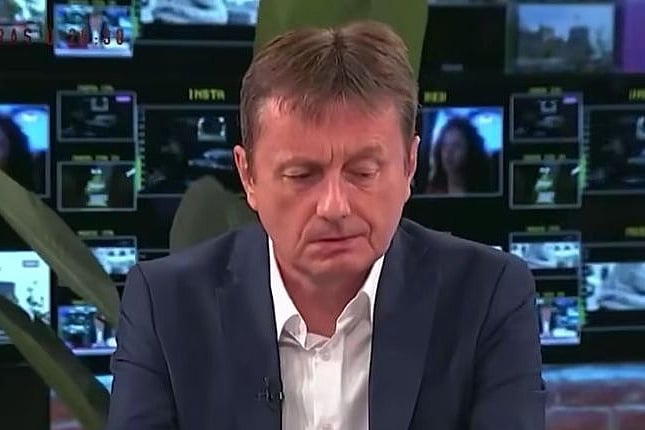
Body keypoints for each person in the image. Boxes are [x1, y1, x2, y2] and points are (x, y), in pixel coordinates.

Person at [106, 20, 545, 430]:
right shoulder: (164, 305)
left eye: (363, 172)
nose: (334, 206)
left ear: (410, 165)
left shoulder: (489, 295)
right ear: (248, 176)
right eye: (302, 175)